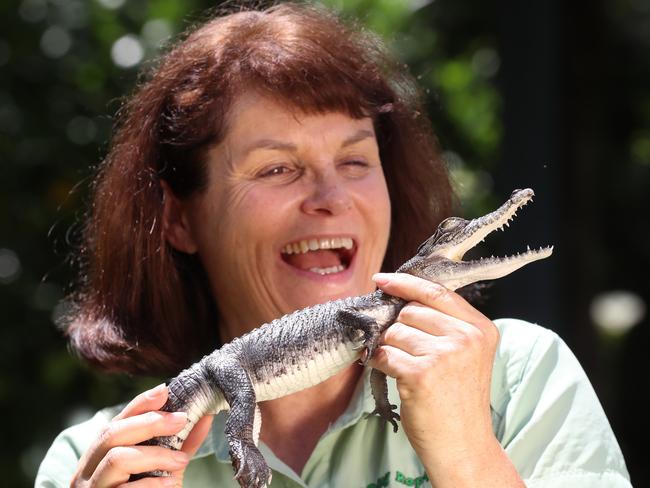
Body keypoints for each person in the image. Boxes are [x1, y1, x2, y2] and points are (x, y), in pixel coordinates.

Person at [36, 3, 631, 487]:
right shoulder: (95, 462)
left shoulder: (520, 375)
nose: (332, 198)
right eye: (275, 169)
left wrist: (468, 454)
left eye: (354, 160)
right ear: (180, 219)